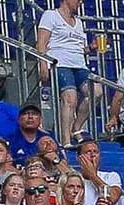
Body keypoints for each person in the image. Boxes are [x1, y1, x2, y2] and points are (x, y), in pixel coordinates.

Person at [33, 0, 90, 141]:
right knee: (70, 98)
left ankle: (76, 128)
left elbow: (79, 49)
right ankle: (66, 140)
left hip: (79, 64)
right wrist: (43, 63)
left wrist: (92, 48)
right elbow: (41, 43)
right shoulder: (51, 15)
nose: (81, 2)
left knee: (97, 92)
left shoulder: (79, 22)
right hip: (59, 63)